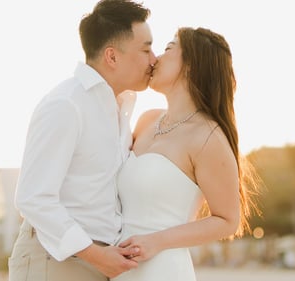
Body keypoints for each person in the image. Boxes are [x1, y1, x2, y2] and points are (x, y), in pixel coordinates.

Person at [8, 1, 157, 281]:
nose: (154, 60)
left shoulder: (119, 109)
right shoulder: (66, 104)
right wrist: (95, 255)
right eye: (146, 49)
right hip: (54, 260)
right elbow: (33, 197)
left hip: (99, 260)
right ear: (112, 57)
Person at [111, 27, 262, 281]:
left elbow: (227, 220)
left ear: (191, 64)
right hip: (119, 268)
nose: (155, 57)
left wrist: (156, 242)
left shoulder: (208, 137)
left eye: (169, 47)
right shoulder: (147, 121)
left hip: (162, 269)